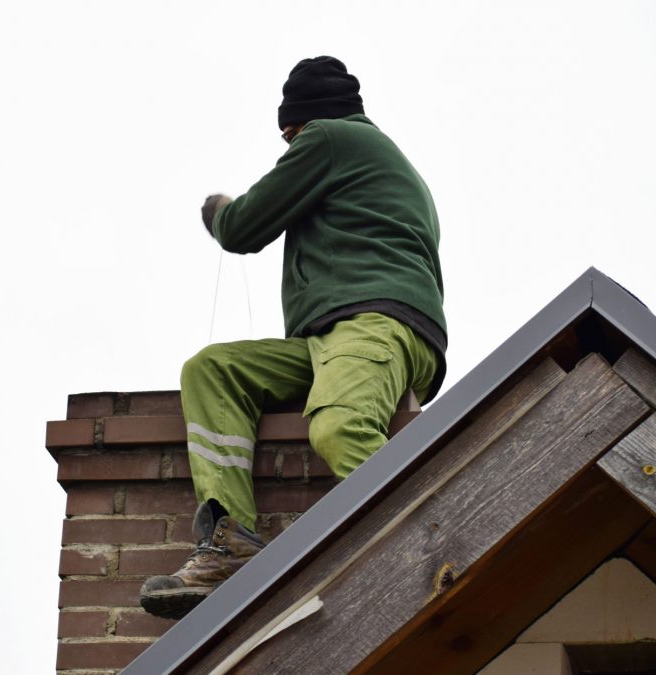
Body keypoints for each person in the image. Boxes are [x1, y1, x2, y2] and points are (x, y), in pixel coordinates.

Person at [140, 56, 447, 620]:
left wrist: (217, 210)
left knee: (339, 426)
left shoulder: (331, 138)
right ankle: (228, 543)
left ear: (304, 121)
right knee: (212, 369)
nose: (288, 146)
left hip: (376, 326)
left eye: (289, 134)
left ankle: (436, 545)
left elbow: (243, 227)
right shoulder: (368, 158)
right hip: (331, 338)